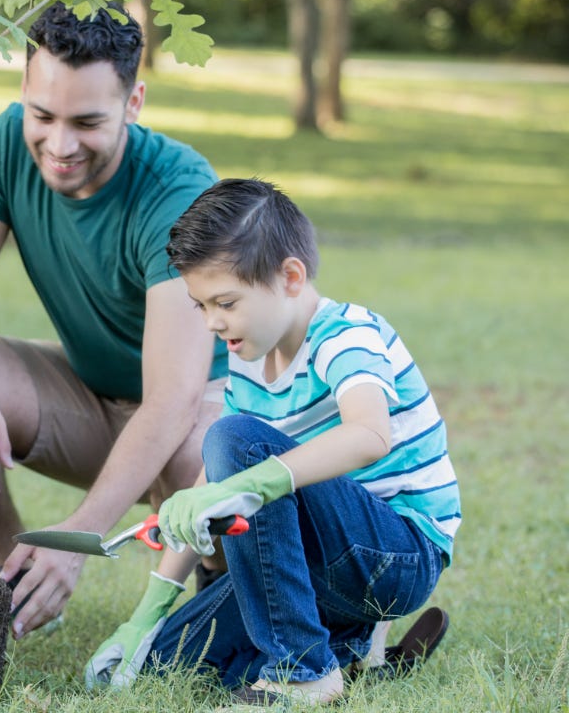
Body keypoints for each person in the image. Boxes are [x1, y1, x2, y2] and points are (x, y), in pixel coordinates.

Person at [0, 2, 225, 638]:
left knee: (206, 451)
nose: (60, 145)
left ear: (134, 101)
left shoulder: (178, 192)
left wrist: (77, 538)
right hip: (92, 404)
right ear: (23, 94)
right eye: (43, 115)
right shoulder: (9, 142)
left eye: (87, 122)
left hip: (195, 415)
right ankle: (15, 585)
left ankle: (225, 588)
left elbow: (174, 399)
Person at [85, 178, 460, 706]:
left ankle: (304, 670)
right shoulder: (247, 359)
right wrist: (143, 615)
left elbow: (369, 434)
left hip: (395, 555)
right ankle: (349, 648)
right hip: (313, 563)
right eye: (201, 306)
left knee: (232, 436)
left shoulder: (346, 335)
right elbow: (212, 483)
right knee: (163, 663)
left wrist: (250, 483)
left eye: (226, 302)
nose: (214, 322)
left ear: (289, 276)